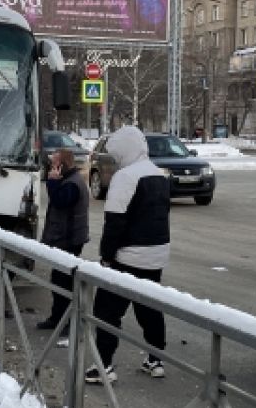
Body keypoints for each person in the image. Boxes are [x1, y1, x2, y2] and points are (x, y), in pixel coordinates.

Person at [88, 126, 171, 384]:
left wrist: (106, 256)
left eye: (116, 154)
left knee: (107, 310)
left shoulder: (125, 178)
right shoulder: (159, 174)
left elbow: (115, 222)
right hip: (157, 253)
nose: (115, 160)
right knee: (149, 308)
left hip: (128, 256)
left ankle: (104, 365)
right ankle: (155, 360)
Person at [36, 147, 89, 333]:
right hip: (67, 237)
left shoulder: (71, 184)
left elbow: (60, 202)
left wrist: (52, 182)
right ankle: (59, 318)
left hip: (68, 239)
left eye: (54, 163)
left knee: (63, 282)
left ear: (63, 165)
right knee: (60, 281)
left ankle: (66, 321)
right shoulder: (69, 180)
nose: (51, 167)